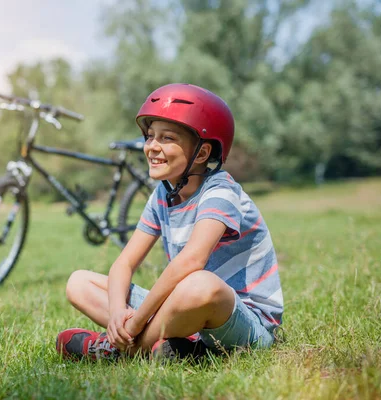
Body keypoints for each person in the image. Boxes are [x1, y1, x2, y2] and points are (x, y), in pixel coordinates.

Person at [56, 83, 284, 361]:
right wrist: (117, 312)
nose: (152, 146)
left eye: (166, 138)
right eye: (150, 136)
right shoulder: (162, 194)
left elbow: (191, 262)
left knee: (200, 284)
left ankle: (116, 349)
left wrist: (138, 320)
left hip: (244, 323)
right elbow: (125, 263)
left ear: (201, 153)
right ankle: (177, 344)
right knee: (78, 283)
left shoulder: (221, 191)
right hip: (184, 306)